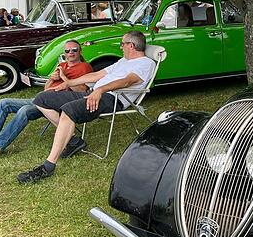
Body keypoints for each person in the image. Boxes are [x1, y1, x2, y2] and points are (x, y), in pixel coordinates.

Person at [16, 30, 156, 184]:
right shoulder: (123, 61)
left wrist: (100, 90)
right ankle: (73, 141)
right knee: (42, 98)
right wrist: (69, 83)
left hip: (112, 98)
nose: (120, 47)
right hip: (93, 93)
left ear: (132, 45)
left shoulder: (145, 63)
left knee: (69, 110)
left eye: (122, 44)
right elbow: (95, 76)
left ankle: (48, 166)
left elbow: (127, 81)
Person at [0, 40, 93, 158]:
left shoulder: (84, 67)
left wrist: (65, 79)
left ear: (80, 51)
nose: (70, 53)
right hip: (42, 98)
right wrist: (52, 79)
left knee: (24, 111)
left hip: (54, 104)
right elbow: (46, 88)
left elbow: (82, 90)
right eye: (67, 51)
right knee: (3, 102)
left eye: (74, 50)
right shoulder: (62, 66)